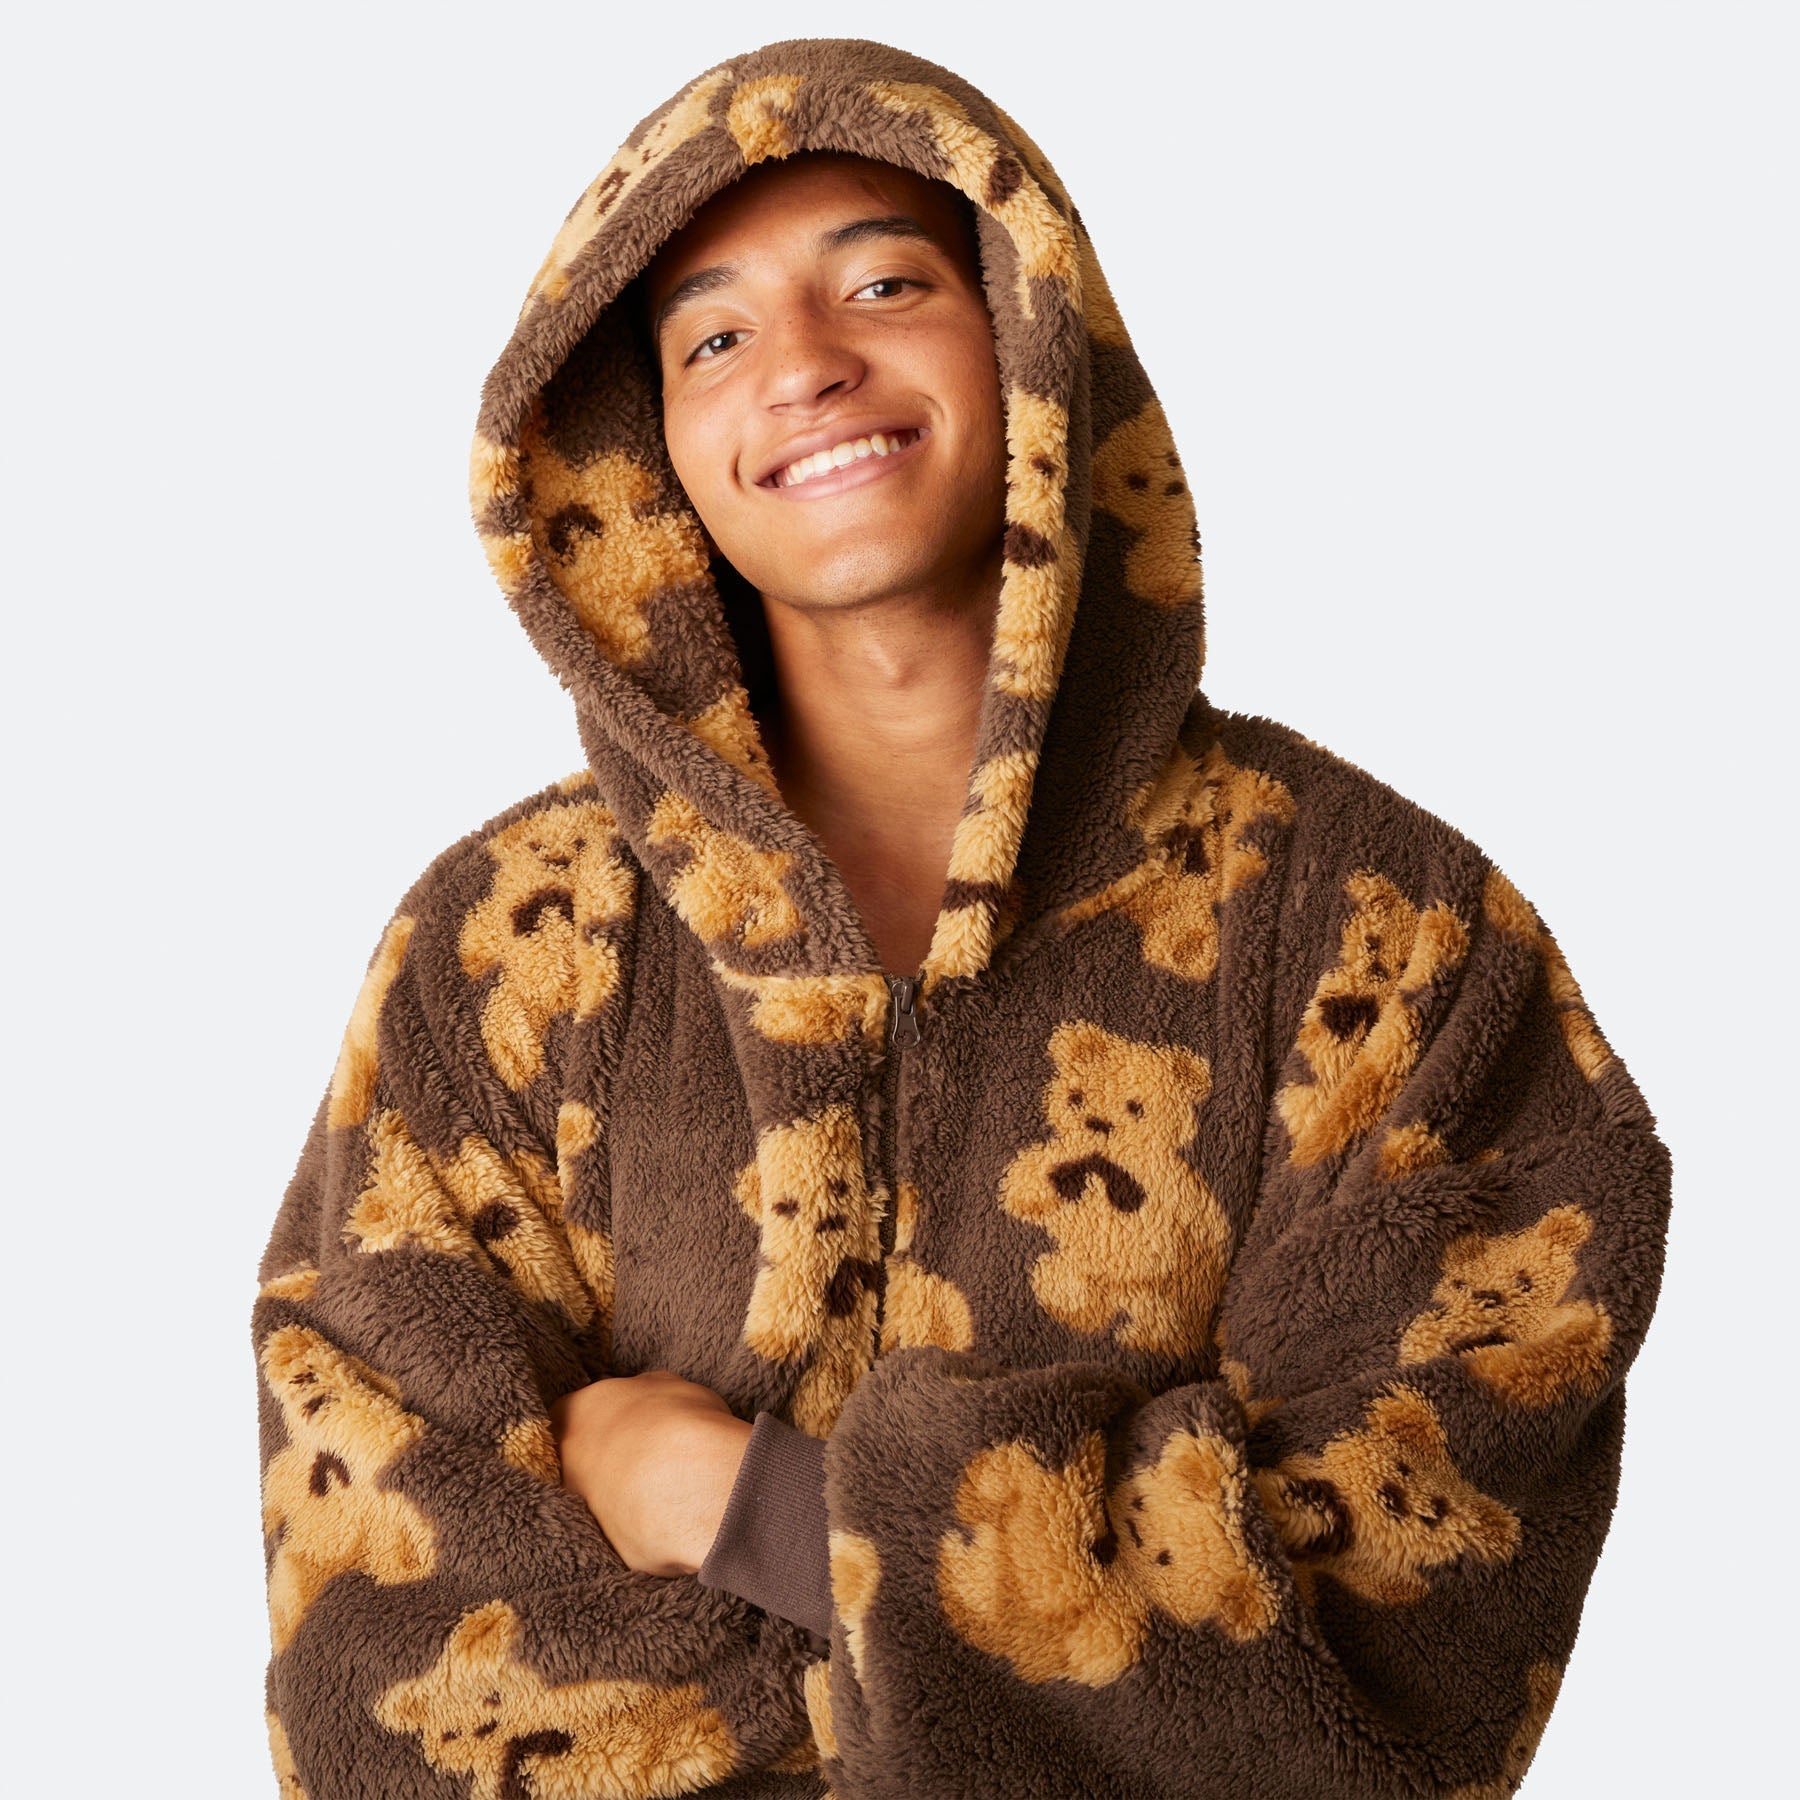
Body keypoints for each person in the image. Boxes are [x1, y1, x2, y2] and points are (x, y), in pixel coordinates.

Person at [251, 36, 1671, 1800]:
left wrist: (748, 1513)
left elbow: (1399, 1646)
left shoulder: (1389, 934)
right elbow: (383, 1671)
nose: (804, 366)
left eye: (885, 284)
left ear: (1029, 333)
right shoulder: (504, 951)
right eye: (712, 339)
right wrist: (1068, 1617)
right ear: (642, 446)